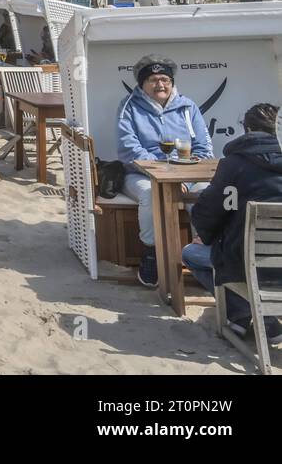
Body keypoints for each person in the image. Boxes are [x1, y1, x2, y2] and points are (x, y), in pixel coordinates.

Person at [183, 103, 282, 342]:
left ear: (246, 129)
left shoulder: (234, 165)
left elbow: (208, 211)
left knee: (191, 254)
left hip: (249, 264)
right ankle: (258, 320)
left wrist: (207, 237)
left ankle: (247, 315)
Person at [117, 54, 213, 287]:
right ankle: (151, 253)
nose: (160, 84)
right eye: (153, 79)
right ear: (142, 84)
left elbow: (204, 147)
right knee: (152, 195)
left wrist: (182, 177)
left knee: (208, 194)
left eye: (164, 79)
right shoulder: (129, 107)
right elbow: (129, 149)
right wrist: (165, 175)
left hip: (186, 175)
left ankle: (202, 254)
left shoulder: (188, 107)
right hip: (140, 175)